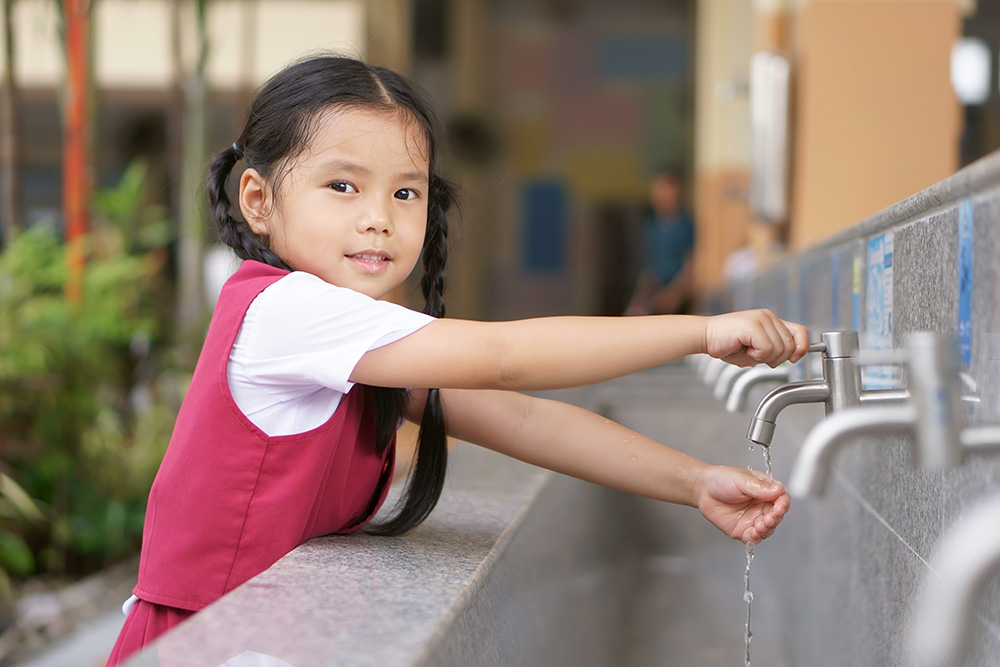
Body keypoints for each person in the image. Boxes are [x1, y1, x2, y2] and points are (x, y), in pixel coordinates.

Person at [107, 55, 809, 665]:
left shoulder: (357, 340)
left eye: (405, 191)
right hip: (200, 645)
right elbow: (504, 359)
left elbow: (525, 417)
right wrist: (701, 331)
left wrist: (696, 481)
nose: (379, 215)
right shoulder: (287, 312)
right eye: (342, 186)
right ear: (259, 199)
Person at [625, 168, 696, 316]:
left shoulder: (685, 225)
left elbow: (691, 263)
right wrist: (640, 297)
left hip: (678, 293)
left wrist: (676, 293)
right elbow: (650, 266)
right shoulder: (652, 226)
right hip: (656, 290)